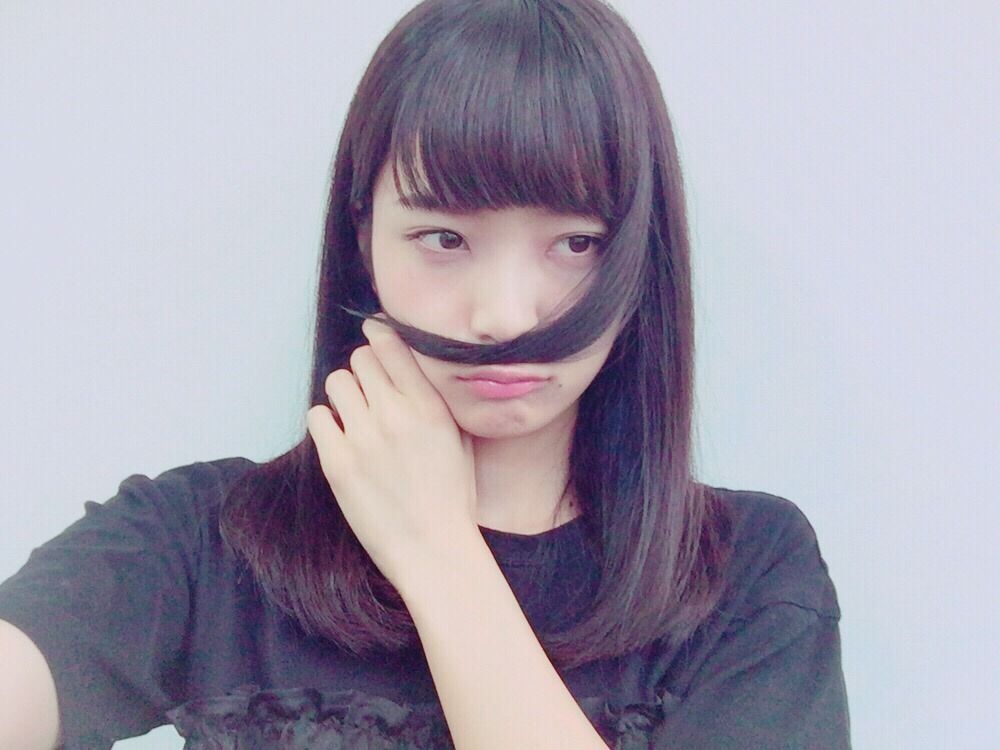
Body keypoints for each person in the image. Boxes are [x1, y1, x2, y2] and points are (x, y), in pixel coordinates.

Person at [0, 0, 851, 748]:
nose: (505, 316)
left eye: (575, 243)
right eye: (444, 238)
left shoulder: (747, 575)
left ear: (637, 255)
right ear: (364, 240)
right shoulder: (199, 544)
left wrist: (436, 551)